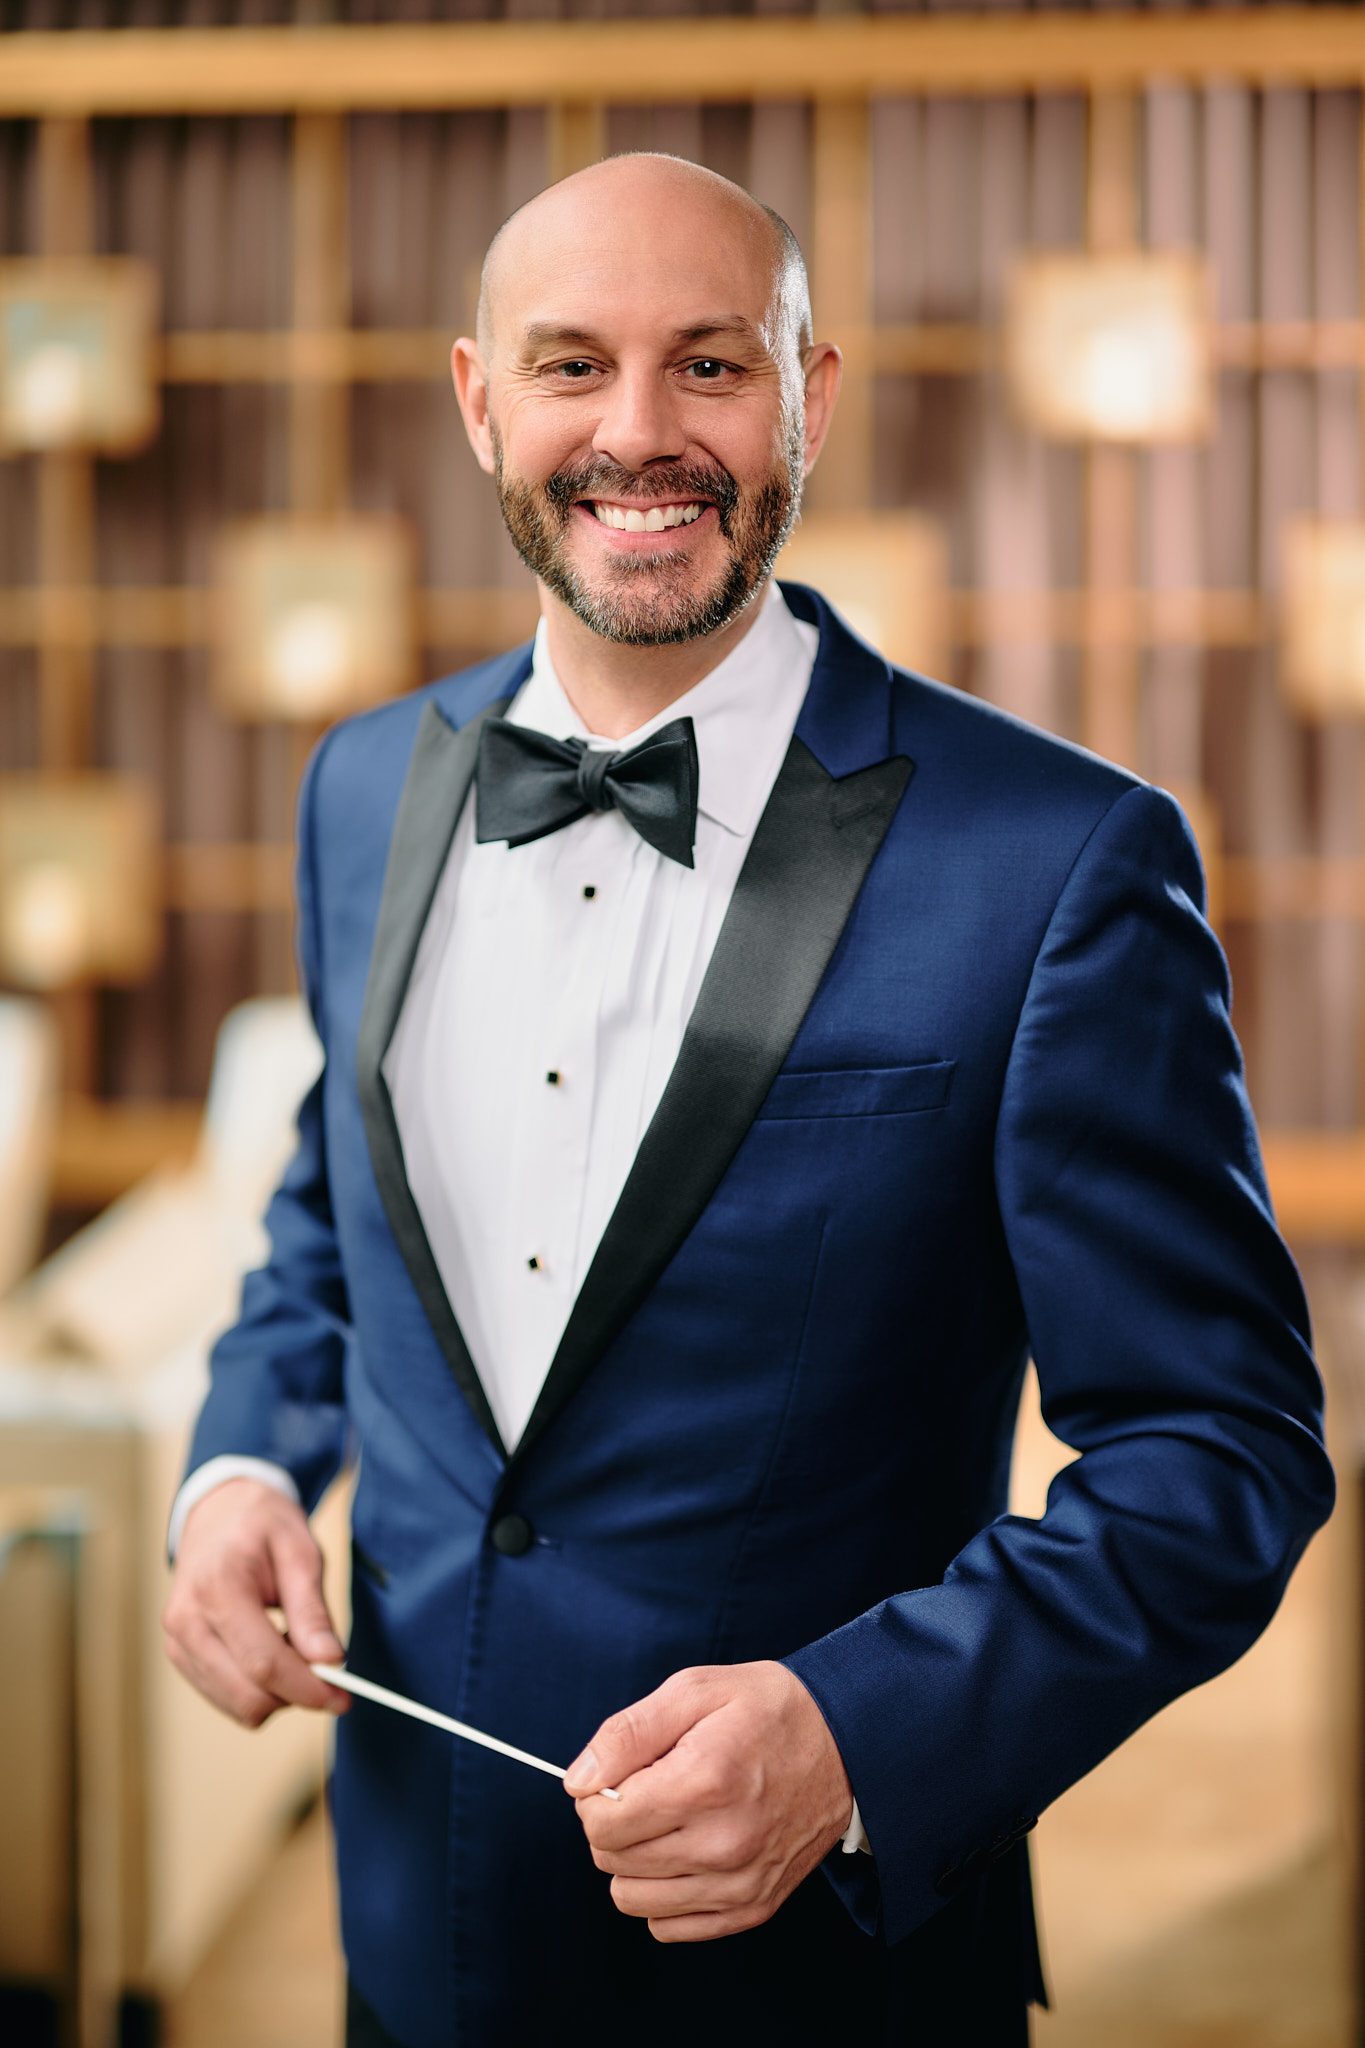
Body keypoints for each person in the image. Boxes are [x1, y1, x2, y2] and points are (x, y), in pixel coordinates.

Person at [162, 153, 1334, 2048]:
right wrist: (234, 1470)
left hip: (826, 1980)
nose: (639, 432)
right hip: (405, 1940)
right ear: (479, 402)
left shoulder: (1063, 862)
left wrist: (861, 1729)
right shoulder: (360, 787)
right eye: (571, 367)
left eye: (710, 367)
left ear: (812, 397)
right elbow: (330, 1212)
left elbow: (1223, 1453)